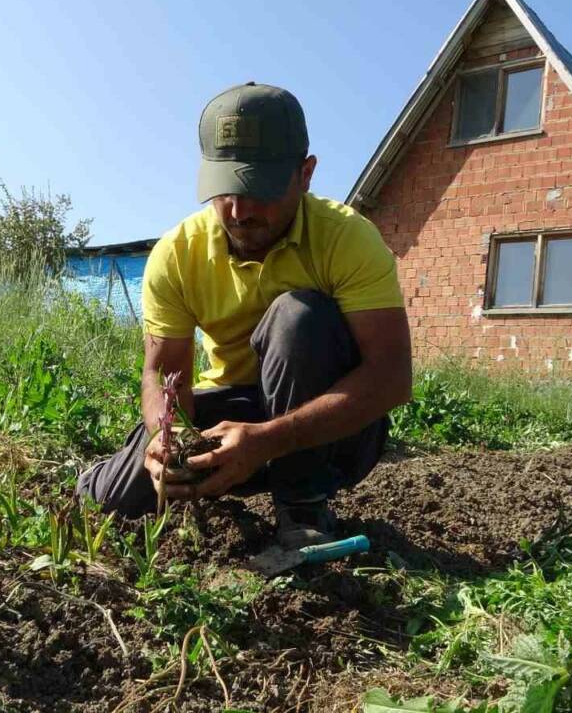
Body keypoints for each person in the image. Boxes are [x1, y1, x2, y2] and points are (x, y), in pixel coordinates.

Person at [76, 82, 412, 548]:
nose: (240, 210)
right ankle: (104, 475)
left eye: (261, 189)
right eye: (225, 189)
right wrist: (166, 435)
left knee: (298, 317)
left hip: (328, 431)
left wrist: (267, 441)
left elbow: (391, 377)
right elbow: (162, 373)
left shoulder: (347, 239)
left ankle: (301, 507)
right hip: (232, 411)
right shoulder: (177, 254)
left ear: (306, 173)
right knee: (112, 498)